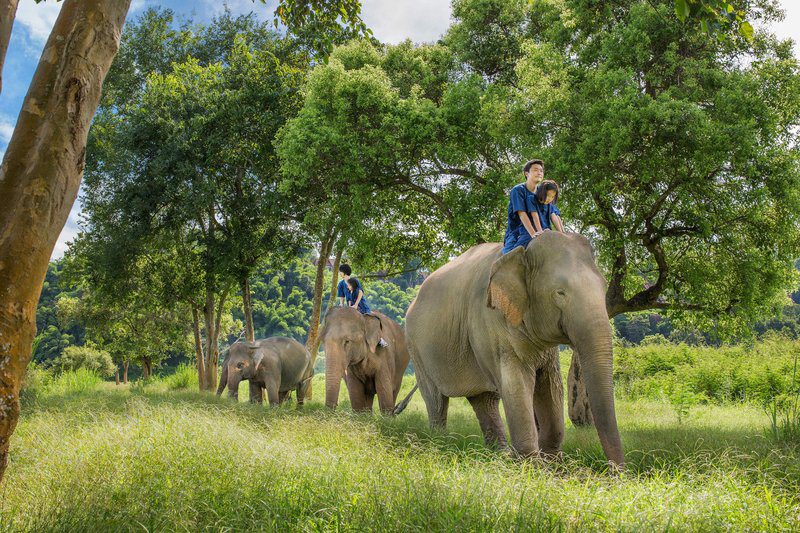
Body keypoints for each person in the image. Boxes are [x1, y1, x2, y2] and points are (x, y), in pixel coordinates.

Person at [502, 159, 545, 255]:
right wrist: (533, 234)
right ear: (526, 174)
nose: (539, 173)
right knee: (509, 258)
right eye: (535, 170)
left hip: (539, 230)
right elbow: (522, 214)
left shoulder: (541, 193)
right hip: (517, 232)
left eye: (541, 171)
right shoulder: (517, 190)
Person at [346, 276, 388, 347]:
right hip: (356, 310)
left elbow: (357, 302)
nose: (348, 286)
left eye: (349, 285)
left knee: (368, 324)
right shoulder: (350, 292)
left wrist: (355, 306)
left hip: (363, 309)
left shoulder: (359, 291)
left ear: (353, 285)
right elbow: (350, 301)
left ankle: (380, 339)